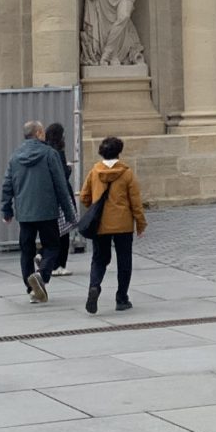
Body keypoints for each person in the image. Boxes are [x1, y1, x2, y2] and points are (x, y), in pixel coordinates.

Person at [0, 120, 74, 302]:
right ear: (40, 133)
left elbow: (7, 184)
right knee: (52, 246)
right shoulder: (50, 154)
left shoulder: (15, 156)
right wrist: (69, 212)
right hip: (47, 210)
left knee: (27, 250)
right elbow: (60, 185)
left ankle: (31, 289)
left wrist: (6, 210)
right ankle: (41, 277)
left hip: (25, 212)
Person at [78, 135, 146, 314]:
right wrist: (140, 223)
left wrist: (95, 207)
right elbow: (135, 202)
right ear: (119, 152)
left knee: (99, 259)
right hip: (123, 224)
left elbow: (84, 196)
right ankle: (121, 298)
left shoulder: (95, 172)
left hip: (100, 224)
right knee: (124, 261)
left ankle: (94, 286)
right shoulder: (127, 173)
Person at [43, 122, 80, 275]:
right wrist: (69, 168)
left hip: (48, 197)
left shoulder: (45, 150)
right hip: (61, 196)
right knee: (64, 231)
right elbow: (62, 175)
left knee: (52, 231)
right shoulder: (58, 152)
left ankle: (45, 258)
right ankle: (59, 265)